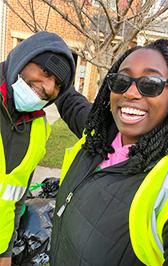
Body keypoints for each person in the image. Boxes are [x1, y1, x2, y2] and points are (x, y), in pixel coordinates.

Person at [50, 39, 168, 266]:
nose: (130, 93)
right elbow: (73, 104)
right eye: (121, 81)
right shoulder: (99, 134)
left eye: (150, 83)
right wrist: (49, 68)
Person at [0, 31, 75, 266]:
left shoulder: (39, 127)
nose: (48, 87)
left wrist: (6, 254)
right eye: (45, 72)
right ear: (24, 58)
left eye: (58, 84)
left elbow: (16, 199)